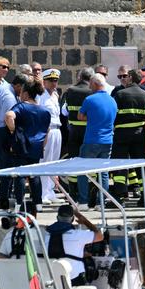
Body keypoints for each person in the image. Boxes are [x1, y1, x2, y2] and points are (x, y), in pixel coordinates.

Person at [0, 205, 103, 287]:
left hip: (49, 279)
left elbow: (0, 258)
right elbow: (100, 236)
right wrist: (84, 220)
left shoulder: (48, 234)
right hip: (74, 279)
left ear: (57, 218)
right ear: (72, 220)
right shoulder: (43, 234)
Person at [5, 79, 51, 213]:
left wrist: (13, 130)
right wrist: (42, 145)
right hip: (37, 147)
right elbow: (46, 131)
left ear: (25, 93)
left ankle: (19, 203)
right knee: (34, 175)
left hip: (22, 145)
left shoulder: (21, 106)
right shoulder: (45, 111)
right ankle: (38, 204)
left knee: (20, 174)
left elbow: (9, 116)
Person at [76, 73, 117, 210]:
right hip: (108, 141)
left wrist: (92, 119)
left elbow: (80, 116)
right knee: (103, 172)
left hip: (92, 140)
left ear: (94, 84)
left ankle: (83, 202)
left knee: (82, 170)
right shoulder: (112, 100)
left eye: (90, 84)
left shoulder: (89, 99)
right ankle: (101, 203)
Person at [110, 69, 145, 204]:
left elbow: (113, 115)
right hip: (139, 135)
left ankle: (120, 196)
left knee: (119, 165)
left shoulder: (120, 94)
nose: (125, 78)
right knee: (140, 165)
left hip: (121, 135)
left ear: (131, 78)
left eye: (127, 76)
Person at [0, 74, 28, 209]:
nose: (23, 92)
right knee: (8, 168)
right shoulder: (9, 96)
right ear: (18, 85)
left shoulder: (3, 88)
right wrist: (14, 134)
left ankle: (3, 199)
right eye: (23, 89)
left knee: (4, 167)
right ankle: (4, 200)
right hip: (5, 132)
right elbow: (9, 118)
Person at [61, 67, 94, 197]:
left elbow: (64, 111)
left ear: (79, 77)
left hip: (74, 131)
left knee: (74, 160)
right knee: (90, 162)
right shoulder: (93, 92)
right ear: (91, 78)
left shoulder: (70, 91)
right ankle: (90, 192)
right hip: (89, 131)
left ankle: (73, 193)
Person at [38, 68, 63, 205]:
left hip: (57, 129)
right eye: (50, 80)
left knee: (54, 162)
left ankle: (51, 191)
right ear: (44, 81)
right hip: (47, 130)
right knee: (45, 162)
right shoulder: (41, 96)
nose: (54, 83)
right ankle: (43, 193)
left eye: (55, 80)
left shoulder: (55, 95)